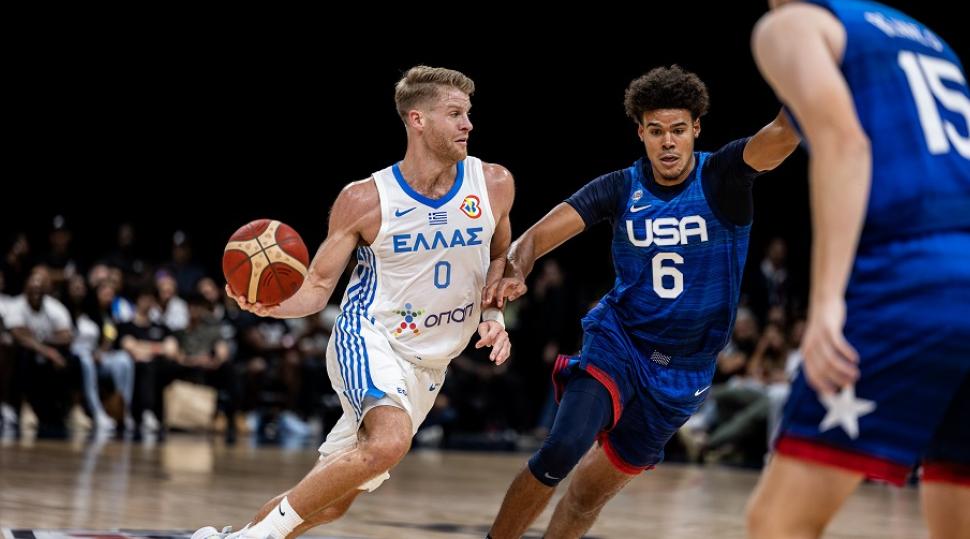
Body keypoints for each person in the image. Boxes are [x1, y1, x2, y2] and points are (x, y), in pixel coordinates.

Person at [192, 65, 515, 539]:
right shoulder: (365, 199)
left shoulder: (493, 183)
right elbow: (317, 288)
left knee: (330, 501)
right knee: (387, 443)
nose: (468, 124)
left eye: (468, 113)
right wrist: (267, 306)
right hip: (371, 337)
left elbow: (500, 256)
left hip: (431, 363)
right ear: (417, 119)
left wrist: (492, 314)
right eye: (455, 114)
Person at [486, 65, 799, 539]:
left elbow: (783, 134)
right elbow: (533, 239)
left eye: (678, 130)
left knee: (588, 494)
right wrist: (516, 268)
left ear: (696, 129)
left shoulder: (725, 175)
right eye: (656, 131)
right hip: (620, 343)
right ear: (641, 133)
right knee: (561, 450)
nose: (667, 142)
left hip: (684, 371)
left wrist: (806, 76)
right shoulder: (620, 187)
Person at [744, 0, 970, 538]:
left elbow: (845, 142)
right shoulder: (928, 39)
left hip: (911, 276)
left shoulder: (794, 24)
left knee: (777, 524)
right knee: (955, 515)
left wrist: (826, 304)